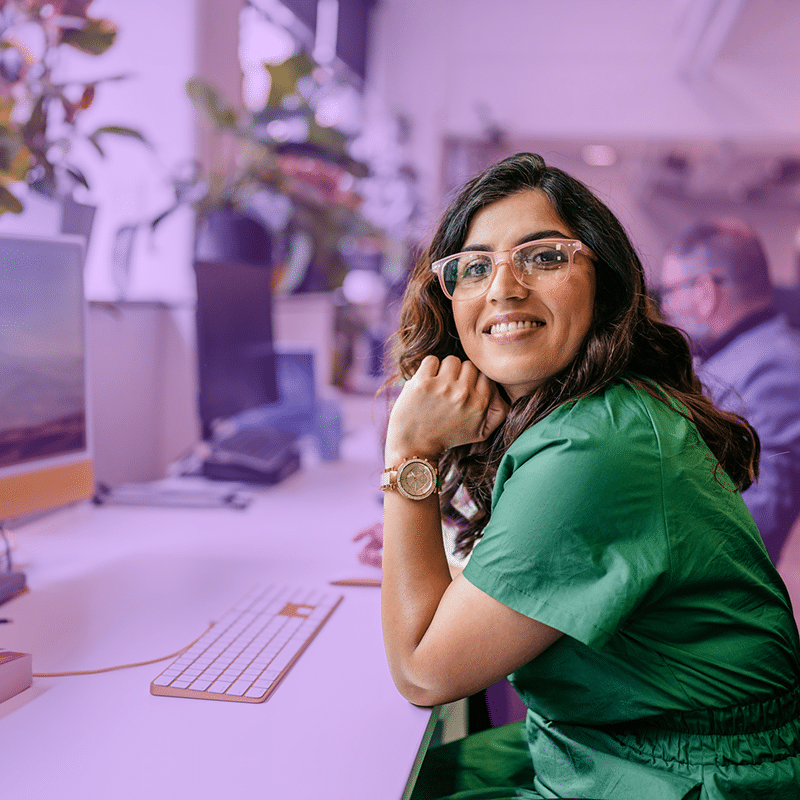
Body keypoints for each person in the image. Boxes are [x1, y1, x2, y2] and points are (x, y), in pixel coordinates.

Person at [379, 152, 800, 800]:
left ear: (603, 282)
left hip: (679, 777)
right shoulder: (587, 413)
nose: (503, 287)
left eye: (543, 256)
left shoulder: (597, 449)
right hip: (608, 744)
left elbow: (423, 672)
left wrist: (407, 453)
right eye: (474, 266)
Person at [660, 218, 800, 562]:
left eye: (670, 291)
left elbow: (756, 519)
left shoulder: (775, 369)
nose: (665, 307)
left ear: (705, 291)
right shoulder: (738, 357)